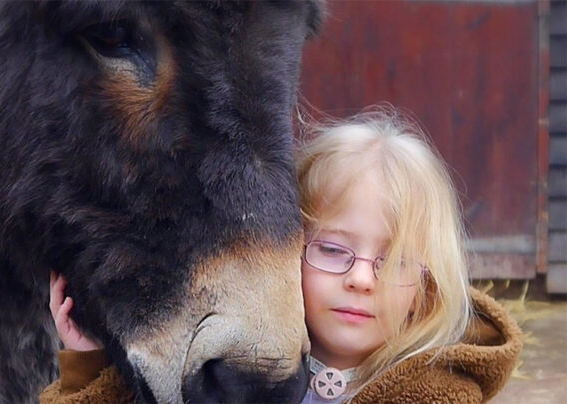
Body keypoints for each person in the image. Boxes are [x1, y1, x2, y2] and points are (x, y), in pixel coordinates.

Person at [39, 107, 522, 404]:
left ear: (424, 288)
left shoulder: (442, 393)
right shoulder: (232, 372)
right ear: (287, 251)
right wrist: (91, 368)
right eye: (333, 250)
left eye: (392, 262)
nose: (360, 279)